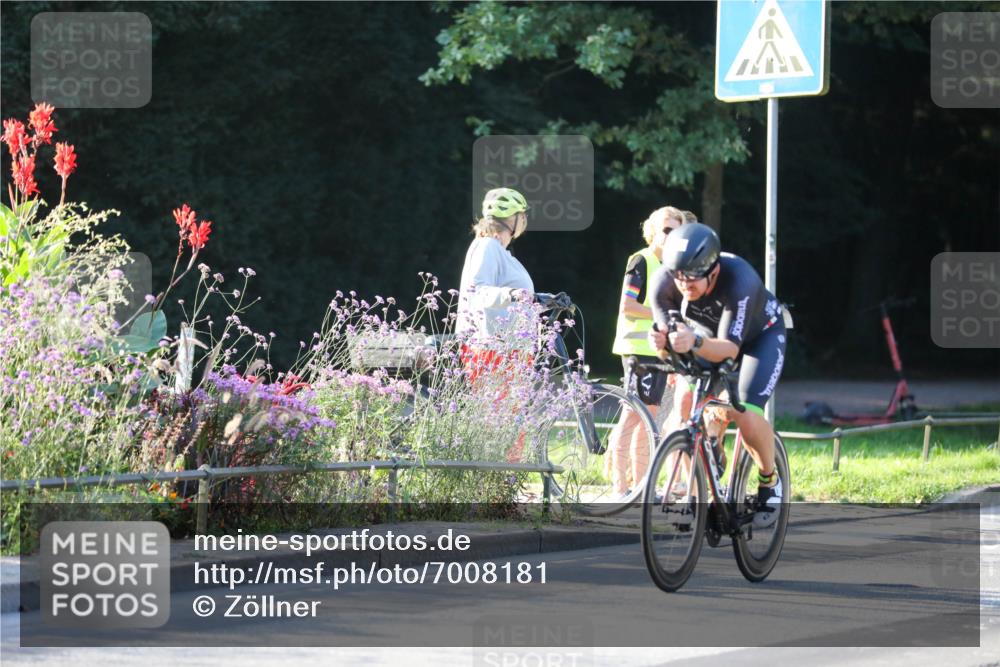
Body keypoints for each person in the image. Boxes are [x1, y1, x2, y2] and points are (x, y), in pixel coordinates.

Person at [648, 223, 787, 528]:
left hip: (756, 341)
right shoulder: (663, 282)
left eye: (692, 278)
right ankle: (701, 488)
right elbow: (669, 347)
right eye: (678, 276)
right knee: (684, 412)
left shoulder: (740, 280)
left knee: (746, 414)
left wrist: (694, 342)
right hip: (708, 338)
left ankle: (770, 481)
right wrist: (662, 346)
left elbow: (729, 351)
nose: (684, 284)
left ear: (713, 270)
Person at [607, 206, 688, 498]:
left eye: (676, 230)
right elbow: (627, 305)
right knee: (632, 416)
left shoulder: (672, 266)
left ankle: (641, 486)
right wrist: (662, 314)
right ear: (652, 231)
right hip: (636, 350)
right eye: (666, 229)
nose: (670, 235)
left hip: (657, 351)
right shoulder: (641, 260)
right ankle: (621, 488)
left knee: (648, 418)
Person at [457, 187, 535, 461]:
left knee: (510, 424)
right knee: (499, 422)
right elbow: (477, 291)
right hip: (493, 350)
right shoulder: (488, 246)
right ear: (513, 220)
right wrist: (510, 294)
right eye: (522, 215)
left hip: (509, 348)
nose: (524, 221)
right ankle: (492, 490)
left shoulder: (501, 252)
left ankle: (504, 490)